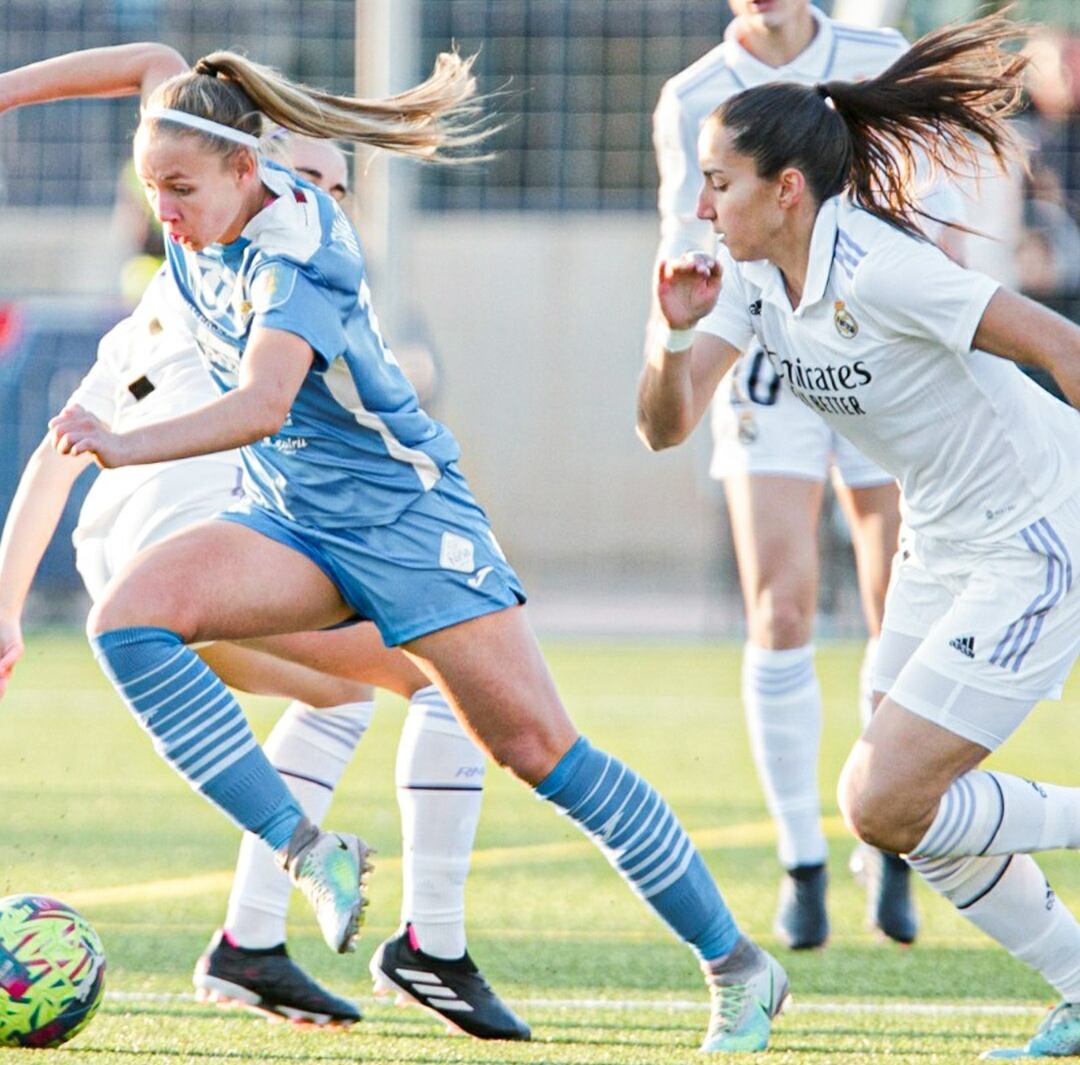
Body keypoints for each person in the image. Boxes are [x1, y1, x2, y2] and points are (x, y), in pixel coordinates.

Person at [0, 43, 787, 1053]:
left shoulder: (298, 248)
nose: (164, 211)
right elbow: (154, 62)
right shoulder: (198, 142)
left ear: (247, 172)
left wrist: (124, 446)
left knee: (541, 751)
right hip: (292, 520)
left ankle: (738, 966)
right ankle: (304, 851)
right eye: (152, 187)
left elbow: (263, 403)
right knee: (130, 624)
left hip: (408, 527)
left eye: (181, 190)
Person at [0, 140, 527, 1040]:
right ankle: (432, 946)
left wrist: (7, 610)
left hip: (155, 560)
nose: (315, 197)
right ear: (253, 178)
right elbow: (73, 447)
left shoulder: (244, 283)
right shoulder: (240, 283)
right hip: (191, 550)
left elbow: (63, 454)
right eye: (302, 175)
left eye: (333, 185)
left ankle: (250, 944)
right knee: (450, 677)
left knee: (339, 698)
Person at [637, 13, 1080, 1058]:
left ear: (787, 190)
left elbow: (1060, 343)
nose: (703, 206)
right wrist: (673, 331)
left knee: (885, 796)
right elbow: (664, 427)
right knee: (897, 812)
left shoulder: (881, 266)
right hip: (944, 539)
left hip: (1037, 530)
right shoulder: (745, 276)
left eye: (722, 183)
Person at [650, 0, 950, 948]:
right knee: (779, 603)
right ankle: (800, 861)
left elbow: (923, 205)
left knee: (893, 593)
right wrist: (677, 329)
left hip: (873, 339)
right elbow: (685, 233)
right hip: (765, 353)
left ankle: (885, 829)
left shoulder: (877, 56)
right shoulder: (692, 93)